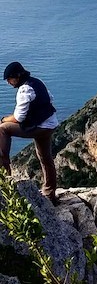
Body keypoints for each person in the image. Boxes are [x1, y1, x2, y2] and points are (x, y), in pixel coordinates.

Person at [0, 61, 58, 205]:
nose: (8, 82)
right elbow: (50, 99)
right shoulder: (37, 82)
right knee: (45, 158)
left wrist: (4, 119)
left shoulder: (24, 90)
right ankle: (50, 194)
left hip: (40, 127)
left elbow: (18, 117)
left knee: (3, 128)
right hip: (49, 124)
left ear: (17, 76)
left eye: (9, 79)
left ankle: (4, 169)